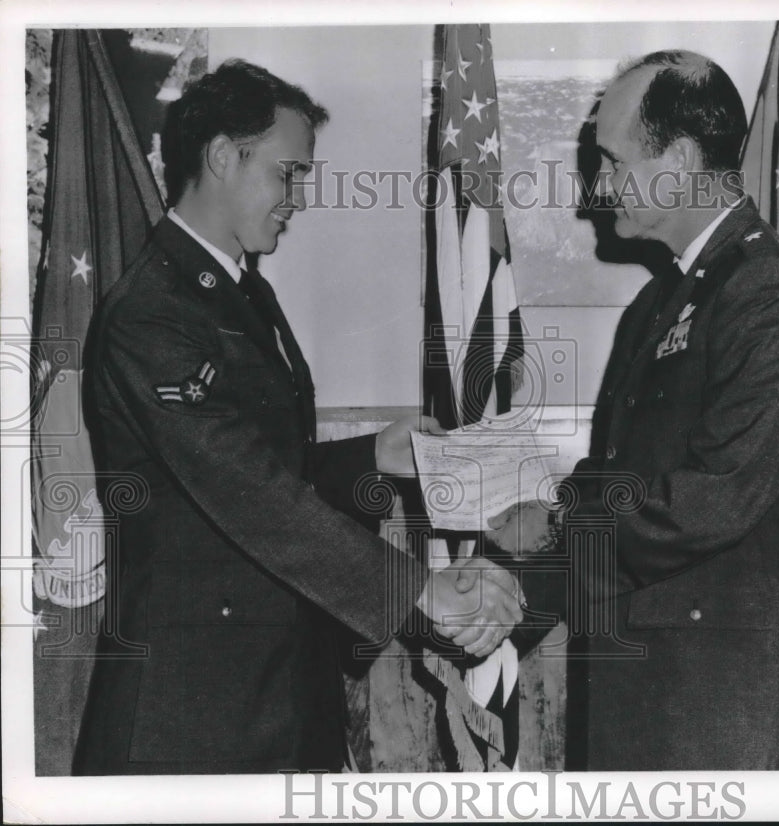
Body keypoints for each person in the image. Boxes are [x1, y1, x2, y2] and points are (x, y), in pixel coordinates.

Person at [74, 59, 522, 775]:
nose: (300, 199)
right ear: (224, 155)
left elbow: (265, 468)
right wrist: (416, 590)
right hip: (192, 709)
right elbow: (248, 494)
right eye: (289, 173)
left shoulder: (239, 293)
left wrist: (373, 454)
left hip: (277, 688)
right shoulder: (152, 313)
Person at [489, 50, 779, 770]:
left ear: (676, 159)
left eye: (612, 162)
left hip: (715, 708)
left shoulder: (766, 290)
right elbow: (619, 476)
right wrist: (545, 522)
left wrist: (531, 568)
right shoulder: (658, 302)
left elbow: (706, 503)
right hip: (639, 692)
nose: (598, 189)